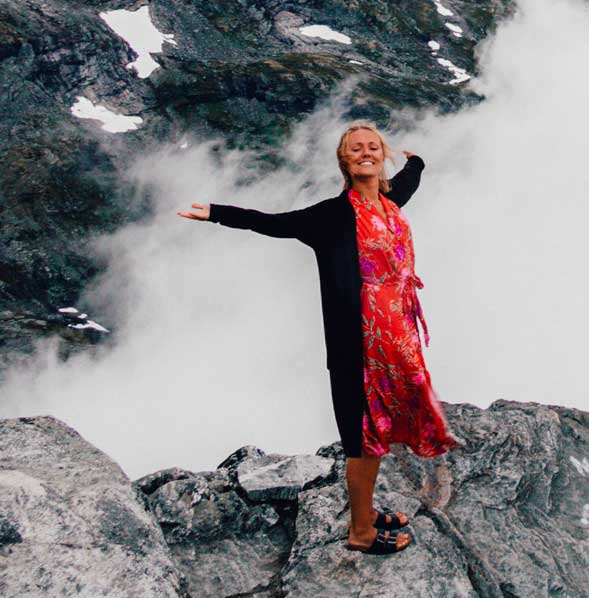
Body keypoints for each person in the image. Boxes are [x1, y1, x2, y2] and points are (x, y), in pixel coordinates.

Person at [177, 121, 458, 555]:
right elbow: (270, 223)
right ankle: (360, 532)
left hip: (395, 341)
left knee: (378, 432)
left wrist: (416, 160)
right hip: (356, 346)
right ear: (344, 161)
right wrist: (216, 212)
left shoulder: (388, 203)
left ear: (380, 156)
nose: (365, 152)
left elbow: (408, 181)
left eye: (372, 147)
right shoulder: (331, 216)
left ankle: (364, 513)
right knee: (360, 437)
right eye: (355, 149)